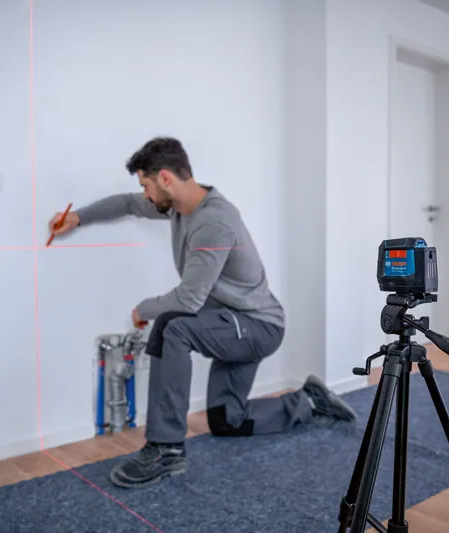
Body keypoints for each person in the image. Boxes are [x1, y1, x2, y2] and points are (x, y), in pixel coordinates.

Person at [48, 136, 356, 489]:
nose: (145, 195)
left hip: (258, 325)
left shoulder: (215, 221)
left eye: (146, 184)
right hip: (231, 322)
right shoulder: (177, 206)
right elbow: (128, 204)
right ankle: (309, 403)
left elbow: (189, 300)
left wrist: (143, 309)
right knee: (227, 421)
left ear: (165, 178)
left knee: (172, 326)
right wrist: (77, 217)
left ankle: (165, 448)